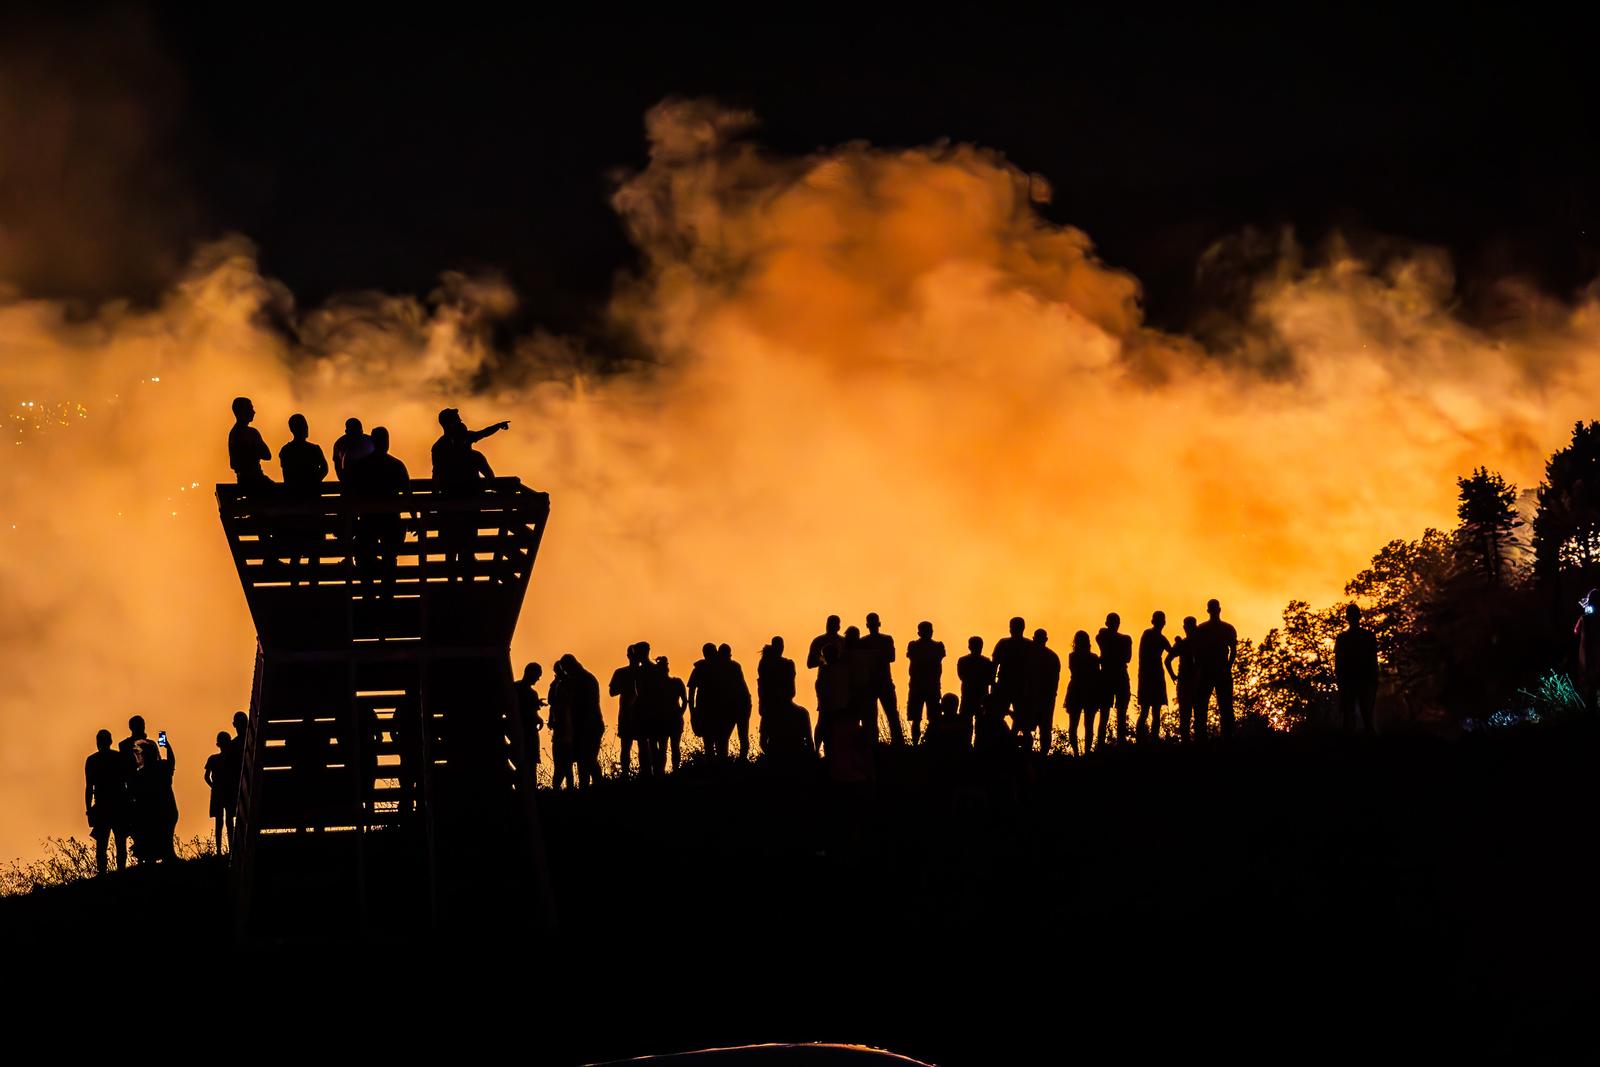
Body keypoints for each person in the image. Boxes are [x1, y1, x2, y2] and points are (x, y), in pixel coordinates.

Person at [347, 426, 413, 592]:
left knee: (364, 556)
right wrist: (415, 520)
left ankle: (368, 593)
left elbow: (352, 493)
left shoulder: (361, 465)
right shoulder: (396, 465)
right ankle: (387, 594)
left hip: (368, 521)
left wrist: (351, 519)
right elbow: (408, 495)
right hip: (390, 520)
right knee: (390, 557)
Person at [1193, 599, 1239, 741]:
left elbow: (1233, 650)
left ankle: (1205, 738)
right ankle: (1223, 738)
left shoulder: (1202, 629)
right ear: (1219, 609)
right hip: (1214, 671)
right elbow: (1233, 650)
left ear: (1209, 610)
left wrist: (1227, 666)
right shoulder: (1226, 628)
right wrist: (1228, 666)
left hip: (1213, 671)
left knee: (1207, 707)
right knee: (1220, 707)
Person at [84, 730, 127, 875]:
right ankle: (121, 871)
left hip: (102, 807)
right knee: (120, 841)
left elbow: (89, 787)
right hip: (119, 805)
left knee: (101, 844)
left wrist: (89, 809)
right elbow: (127, 782)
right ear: (110, 741)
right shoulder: (119, 757)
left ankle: (103, 874)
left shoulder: (92, 760)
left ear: (98, 743)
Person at [130, 732, 177, 863]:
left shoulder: (142, 773)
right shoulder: (161, 767)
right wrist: (167, 746)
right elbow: (172, 762)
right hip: (165, 808)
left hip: (155, 810)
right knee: (165, 838)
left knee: (157, 838)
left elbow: (135, 794)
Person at [1335, 604, 1379, 735]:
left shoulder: (1343, 638)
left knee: (1351, 717)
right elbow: (1373, 662)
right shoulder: (1368, 636)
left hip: (1353, 681)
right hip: (1360, 681)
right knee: (1363, 716)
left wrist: (1340, 683)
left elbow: (1338, 664)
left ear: (1347, 618)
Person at [560, 655, 604, 789]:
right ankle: (589, 786)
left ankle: (596, 785)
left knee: (587, 759)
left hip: (589, 725)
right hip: (584, 725)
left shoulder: (583, 680)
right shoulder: (585, 678)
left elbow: (585, 705)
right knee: (583, 758)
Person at [862, 613, 905, 745]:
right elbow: (890, 657)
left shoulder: (866, 642)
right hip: (877, 682)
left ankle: (892, 743)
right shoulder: (884, 640)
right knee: (880, 716)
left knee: (886, 714)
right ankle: (893, 743)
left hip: (878, 682)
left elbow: (891, 657)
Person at [904, 621, 946, 746]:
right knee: (922, 718)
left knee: (930, 718)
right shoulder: (936, 646)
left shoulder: (915, 646)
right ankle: (923, 743)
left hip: (925, 686)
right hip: (923, 686)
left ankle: (925, 743)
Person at [1021, 629, 1061, 754]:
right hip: (1039, 698)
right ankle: (1039, 754)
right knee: (1040, 728)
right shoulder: (1052, 656)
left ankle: (1034, 753)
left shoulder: (1028, 655)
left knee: (1032, 727)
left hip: (1038, 698)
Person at [1096, 614, 1134, 744]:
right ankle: (1119, 742)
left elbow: (1102, 633)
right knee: (1118, 714)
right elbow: (1127, 658)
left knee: (1106, 714)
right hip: (1118, 675)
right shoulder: (1125, 639)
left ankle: (1102, 743)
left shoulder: (1103, 637)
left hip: (1108, 675)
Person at [757, 637, 798, 756]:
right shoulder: (786, 664)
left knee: (768, 738)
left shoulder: (766, 663)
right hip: (773, 704)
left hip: (773, 704)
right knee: (767, 738)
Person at [1137, 612, 1173, 742]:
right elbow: (1172, 651)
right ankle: (1146, 739)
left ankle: (1152, 739)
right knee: (1148, 710)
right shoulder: (1150, 635)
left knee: (1152, 711)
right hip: (1150, 676)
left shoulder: (1156, 637)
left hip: (1152, 676)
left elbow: (1172, 651)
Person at [1065, 631, 1101, 756]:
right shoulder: (1094, 658)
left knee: (1073, 725)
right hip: (1090, 691)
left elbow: (1075, 672)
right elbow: (1097, 676)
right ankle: (1086, 753)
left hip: (1076, 690)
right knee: (1089, 725)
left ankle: (1076, 753)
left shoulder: (1072, 656)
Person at [992, 617, 1031, 732]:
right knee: (1002, 714)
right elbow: (994, 665)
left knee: (1017, 716)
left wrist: (993, 684)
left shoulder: (1004, 644)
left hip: (1016, 686)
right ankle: (1008, 738)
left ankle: (1010, 739)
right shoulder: (1027, 645)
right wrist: (993, 684)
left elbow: (994, 665)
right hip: (1009, 685)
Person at [610, 645, 644, 777]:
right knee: (631, 745)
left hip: (636, 714)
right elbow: (612, 691)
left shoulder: (621, 672)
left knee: (634, 745)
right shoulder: (623, 673)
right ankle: (630, 773)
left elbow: (612, 691)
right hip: (629, 714)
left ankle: (630, 774)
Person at [956, 636, 994, 746]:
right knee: (978, 724)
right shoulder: (986, 662)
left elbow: (962, 676)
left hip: (971, 697)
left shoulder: (963, 660)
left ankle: (967, 745)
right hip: (976, 697)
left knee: (970, 723)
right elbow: (990, 679)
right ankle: (975, 745)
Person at [228, 396, 273, 488]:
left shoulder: (233, 434)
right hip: (256, 481)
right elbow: (267, 455)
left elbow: (234, 464)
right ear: (242, 411)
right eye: (250, 408)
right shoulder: (252, 433)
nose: (253, 412)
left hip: (242, 481)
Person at [688, 643, 723, 758]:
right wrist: (692, 710)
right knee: (714, 743)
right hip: (707, 709)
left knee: (713, 743)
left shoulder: (717, 667)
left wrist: (692, 710)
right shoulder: (702, 668)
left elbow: (692, 691)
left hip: (714, 708)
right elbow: (692, 691)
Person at [1167, 616, 1200, 742]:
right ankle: (1194, 742)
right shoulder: (1190, 643)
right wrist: (1173, 676)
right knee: (1195, 715)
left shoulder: (1184, 643)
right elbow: (1167, 660)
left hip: (1188, 682)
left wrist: (1173, 676)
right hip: (1191, 682)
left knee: (1187, 716)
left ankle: (1189, 743)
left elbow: (1167, 661)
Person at [546, 659, 577, 790]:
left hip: (565, 729)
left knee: (563, 764)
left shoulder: (563, 685)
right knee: (564, 764)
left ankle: (559, 788)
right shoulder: (559, 685)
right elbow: (552, 704)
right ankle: (561, 788)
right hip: (563, 729)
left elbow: (553, 704)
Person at [721, 644, 753, 759]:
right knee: (737, 736)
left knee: (730, 736)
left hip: (739, 704)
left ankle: (740, 760)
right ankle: (739, 760)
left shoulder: (730, 667)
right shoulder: (734, 666)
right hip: (741, 704)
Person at [278, 414, 329, 486]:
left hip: (294, 493)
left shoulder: (285, 450)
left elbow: (287, 475)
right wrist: (313, 482)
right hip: (312, 494)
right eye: (304, 426)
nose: (307, 428)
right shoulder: (314, 449)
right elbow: (325, 469)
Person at [513, 662, 545, 778]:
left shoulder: (515, 688)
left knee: (527, 764)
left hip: (524, 731)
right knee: (527, 763)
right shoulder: (524, 691)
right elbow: (528, 712)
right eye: (537, 675)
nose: (538, 679)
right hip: (526, 732)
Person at [657, 656, 688, 772]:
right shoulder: (676, 682)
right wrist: (680, 713)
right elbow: (685, 700)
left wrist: (680, 713)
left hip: (670, 719)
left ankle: (668, 772)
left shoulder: (673, 683)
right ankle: (671, 771)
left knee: (667, 748)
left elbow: (685, 700)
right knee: (670, 748)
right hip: (668, 719)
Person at [204, 731, 232, 854]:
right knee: (226, 821)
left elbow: (206, 777)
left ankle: (221, 851)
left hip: (220, 792)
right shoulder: (218, 759)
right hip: (223, 792)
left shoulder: (214, 759)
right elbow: (206, 776)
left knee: (223, 822)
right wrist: (213, 786)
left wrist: (213, 786)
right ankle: (225, 850)